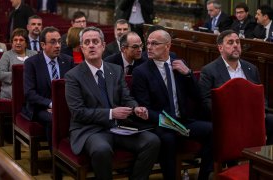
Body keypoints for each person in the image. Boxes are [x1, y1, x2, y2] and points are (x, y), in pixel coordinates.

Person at [65, 26, 160, 179]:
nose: (91, 45)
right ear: (82, 48)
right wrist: (111, 113)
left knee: (152, 141)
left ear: (103, 46)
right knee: (102, 149)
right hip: (90, 130)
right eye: (87, 42)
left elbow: (126, 98)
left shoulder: (115, 70)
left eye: (95, 41)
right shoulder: (73, 76)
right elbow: (78, 112)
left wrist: (136, 108)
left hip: (118, 127)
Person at [131, 29, 213, 180]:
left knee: (213, 130)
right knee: (168, 140)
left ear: (168, 46)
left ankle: (204, 177)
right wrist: (172, 124)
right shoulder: (141, 72)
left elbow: (197, 96)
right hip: (161, 123)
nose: (149, 47)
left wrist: (188, 74)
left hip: (184, 120)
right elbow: (146, 109)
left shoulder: (178, 63)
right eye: (147, 43)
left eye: (154, 43)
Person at [198, 29, 273, 145]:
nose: (236, 45)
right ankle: (232, 160)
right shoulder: (209, 70)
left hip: (251, 114)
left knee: (271, 120)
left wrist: (261, 110)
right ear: (220, 48)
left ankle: (263, 159)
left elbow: (260, 94)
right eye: (230, 42)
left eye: (238, 42)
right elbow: (205, 100)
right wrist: (227, 114)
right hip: (227, 116)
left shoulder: (251, 68)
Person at [22, 26, 73, 149]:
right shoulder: (31, 63)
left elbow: (73, 88)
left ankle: (72, 152)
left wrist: (62, 106)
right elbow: (29, 93)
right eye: (53, 42)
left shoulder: (68, 61)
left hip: (64, 105)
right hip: (40, 108)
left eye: (59, 41)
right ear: (43, 45)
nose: (58, 46)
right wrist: (51, 104)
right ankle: (56, 156)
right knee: (53, 119)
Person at [0, 28, 37, 99]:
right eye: (15, 40)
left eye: (21, 40)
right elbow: (0, 74)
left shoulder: (34, 54)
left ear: (26, 43)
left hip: (31, 87)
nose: (18, 42)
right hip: (11, 90)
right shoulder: (6, 55)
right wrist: (19, 76)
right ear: (12, 42)